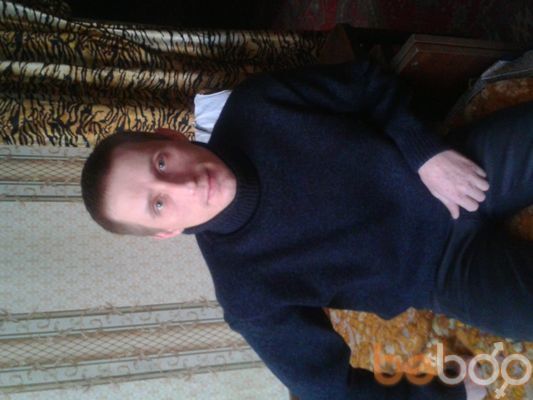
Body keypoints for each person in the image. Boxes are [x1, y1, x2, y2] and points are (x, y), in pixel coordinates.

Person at [81, 60, 533, 399]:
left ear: (170, 136)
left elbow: (367, 82)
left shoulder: (256, 104)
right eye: (159, 204)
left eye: (161, 163)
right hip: (445, 272)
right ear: (165, 232)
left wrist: (423, 152)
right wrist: (448, 394)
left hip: (457, 170)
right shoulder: (245, 294)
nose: (185, 184)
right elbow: (328, 391)